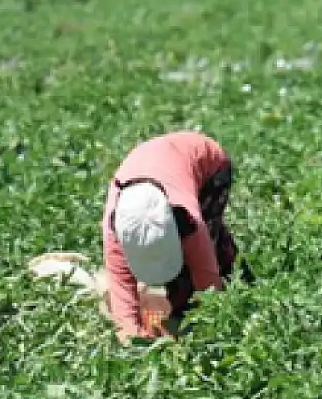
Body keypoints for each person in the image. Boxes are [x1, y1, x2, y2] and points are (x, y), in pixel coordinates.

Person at [102, 131, 252, 341]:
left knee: (207, 254)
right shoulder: (116, 229)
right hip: (161, 164)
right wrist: (133, 338)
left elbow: (207, 284)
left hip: (209, 165)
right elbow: (122, 298)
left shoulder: (188, 220)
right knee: (187, 277)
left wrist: (213, 331)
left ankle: (245, 285)